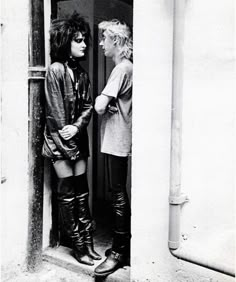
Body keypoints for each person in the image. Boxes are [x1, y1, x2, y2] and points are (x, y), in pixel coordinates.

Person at [42, 13, 101, 266]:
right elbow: (54, 114)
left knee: (81, 193)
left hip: (77, 140)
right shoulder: (56, 70)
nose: (84, 44)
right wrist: (69, 143)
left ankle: (87, 243)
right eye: (78, 40)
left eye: (84, 39)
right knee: (66, 195)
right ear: (65, 41)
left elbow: (88, 106)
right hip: (58, 143)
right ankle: (78, 247)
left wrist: (77, 128)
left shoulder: (82, 73)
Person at [94, 19, 133, 276]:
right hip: (117, 136)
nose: (100, 44)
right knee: (118, 192)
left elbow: (99, 105)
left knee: (117, 194)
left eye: (104, 39)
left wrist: (101, 100)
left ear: (115, 41)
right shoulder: (127, 67)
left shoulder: (121, 69)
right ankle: (123, 248)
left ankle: (119, 252)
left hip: (118, 137)